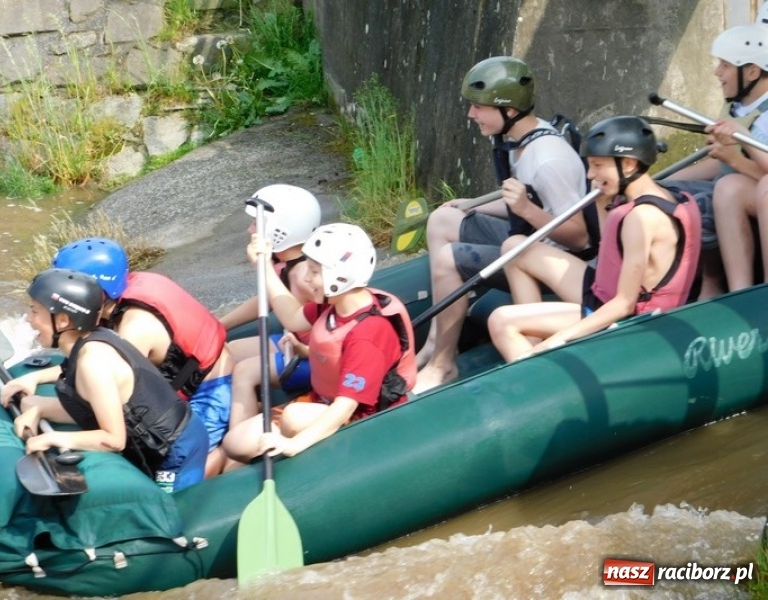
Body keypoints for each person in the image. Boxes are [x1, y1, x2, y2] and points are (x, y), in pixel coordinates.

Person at [414, 56, 592, 393]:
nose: (471, 114)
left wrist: (525, 209)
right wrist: (472, 205)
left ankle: (443, 365)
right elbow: (525, 202)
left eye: (478, 107)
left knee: (448, 258)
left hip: (550, 258)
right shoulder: (518, 140)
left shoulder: (548, 160)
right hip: (528, 237)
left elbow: (579, 237)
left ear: (509, 110)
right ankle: (437, 338)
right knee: (443, 219)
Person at [487, 116, 701, 362]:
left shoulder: (642, 218)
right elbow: (609, 253)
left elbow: (624, 304)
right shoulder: (664, 194)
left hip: (630, 320)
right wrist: (601, 203)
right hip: (606, 291)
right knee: (516, 249)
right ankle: (529, 348)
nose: (590, 174)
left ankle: (534, 364)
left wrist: (559, 338)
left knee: (501, 321)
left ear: (628, 164)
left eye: (598, 165)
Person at [0, 268, 208, 493]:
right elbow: (94, 408)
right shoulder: (87, 344)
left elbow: (113, 439)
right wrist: (40, 410)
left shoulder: (93, 362)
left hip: (177, 448)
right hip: (163, 436)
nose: (29, 320)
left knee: (172, 507)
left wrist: (51, 438)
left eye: (34, 311)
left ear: (62, 320)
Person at [222, 223, 417, 461]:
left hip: (360, 418)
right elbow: (292, 317)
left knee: (293, 417)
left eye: (314, 272)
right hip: (321, 401)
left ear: (341, 277)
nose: (306, 278)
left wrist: (292, 445)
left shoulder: (368, 333)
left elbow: (346, 406)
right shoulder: (333, 306)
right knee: (235, 443)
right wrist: (263, 265)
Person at [50, 238, 234, 478]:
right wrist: (35, 378)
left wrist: (45, 405)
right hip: (203, 370)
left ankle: (225, 455)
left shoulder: (135, 326)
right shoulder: (125, 293)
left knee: (175, 467)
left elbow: (105, 380)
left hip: (211, 390)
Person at [661, 24, 768, 296]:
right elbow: (719, 163)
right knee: (726, 186)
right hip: (749, 187)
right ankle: (740, 292)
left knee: (721, 192)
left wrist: (737, 155)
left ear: (752, 72)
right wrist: (659, 182)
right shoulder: (737, 105)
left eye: (725, 65)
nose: (717, 72)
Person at [220, 185, 321, 469]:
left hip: (309, 356)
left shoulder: (304, 275)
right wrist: (220, 324)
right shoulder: (283, 264)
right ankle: (244, 411)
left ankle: (236, 454)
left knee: (245, 371)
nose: (249, 229)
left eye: (255, 223)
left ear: (279, 231)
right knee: (231, 350)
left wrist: (302, 349)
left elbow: (316, 324)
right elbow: (268, 298)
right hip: (291, 341)